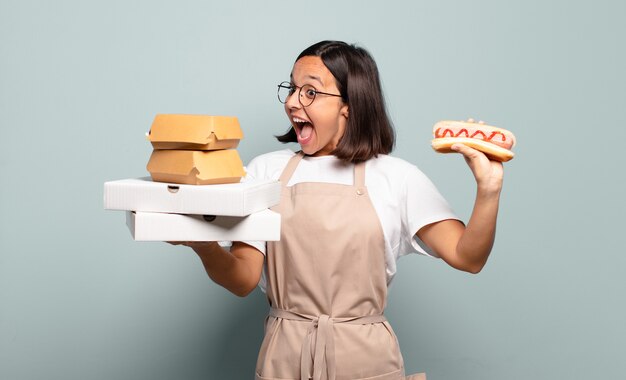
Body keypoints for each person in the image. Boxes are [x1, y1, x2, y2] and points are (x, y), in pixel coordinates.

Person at [174, 40, 504, 380]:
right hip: (285, 360)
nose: (291, 102)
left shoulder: (397, 177)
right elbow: (243, 278)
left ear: (349, 104)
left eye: (310, 92)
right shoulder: (265, 172)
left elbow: (469, 258)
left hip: (367, 361)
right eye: (292, 88)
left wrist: (489, 188)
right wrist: (204, 244)